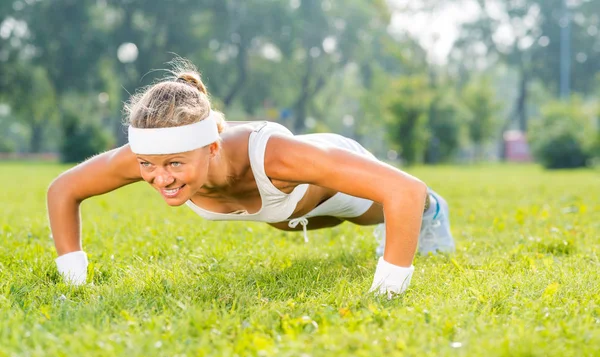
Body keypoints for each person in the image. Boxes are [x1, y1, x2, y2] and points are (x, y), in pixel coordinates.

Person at [47, 60, 455, 297]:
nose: (159, 178)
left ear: (210, 147)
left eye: (174, 165)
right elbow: (63, 189)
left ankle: (432, 213)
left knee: (382, 211)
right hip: (282, 210)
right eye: (147, 165)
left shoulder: (278, 157)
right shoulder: (151, 153)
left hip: (324, 177)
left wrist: (387, 290)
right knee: (284, 222)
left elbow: (404, 188)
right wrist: (73, 277)